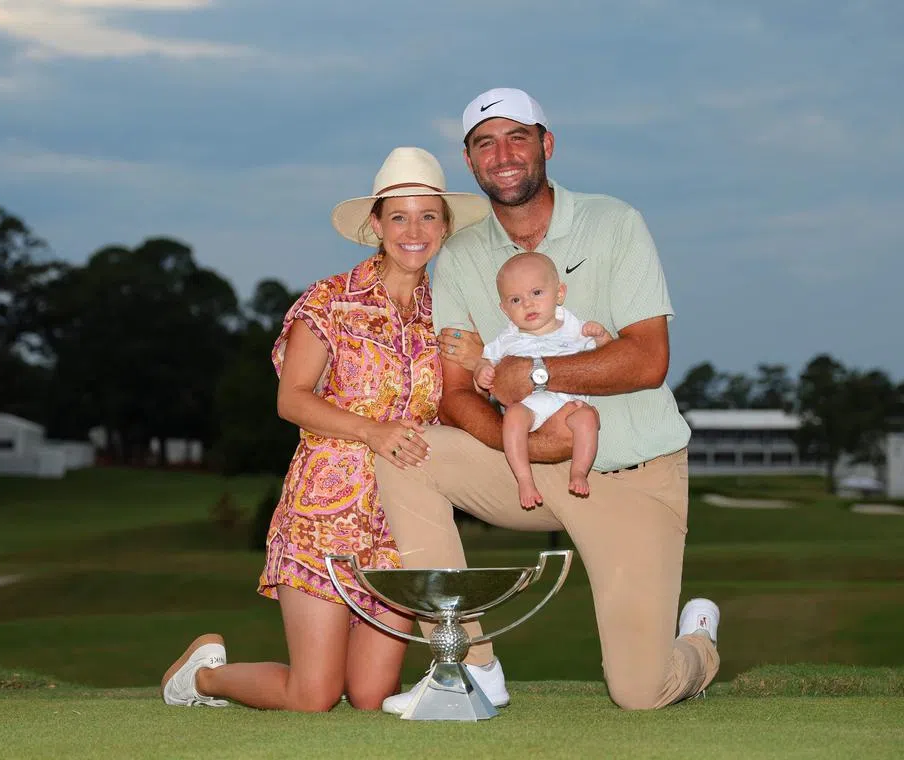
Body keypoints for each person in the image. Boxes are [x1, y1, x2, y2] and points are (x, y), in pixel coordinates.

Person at [377, 88, 721, 714]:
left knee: (640, 692)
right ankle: (470, 668)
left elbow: (648, 359)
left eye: (517, 137)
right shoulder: (459, 256)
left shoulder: (614, 223)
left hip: (630, 474)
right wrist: (529, 447)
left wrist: (533, 372)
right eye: (485, 143)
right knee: (408, 452)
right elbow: (456, 393)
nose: (502, 154)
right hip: (525, 468)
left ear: (546, 145)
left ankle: (697, 640)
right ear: (470, 160)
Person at [160, 146, 501, 712]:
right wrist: (372, 430)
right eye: (398, 215)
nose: (413, 230)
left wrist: (486, 367)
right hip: (323, 517)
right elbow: (290, 399)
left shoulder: (449, 314)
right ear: (376, 225)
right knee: (314, 695)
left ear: (444, 227)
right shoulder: (329, 300)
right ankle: (202, 678)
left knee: (370, 697)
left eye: (427, 216)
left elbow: (452, 411)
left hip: (402, 526)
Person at [474, 251, 610, 507]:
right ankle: (524, 479)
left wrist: (601, 336)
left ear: (559, 293)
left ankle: (579, 471)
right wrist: (482, 371)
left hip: (570, 403)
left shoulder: (574, 329)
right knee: (512, 417)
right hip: (531, 407)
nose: (528, 304)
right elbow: (485, 361)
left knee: (587, 419)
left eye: (536, 293)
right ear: (504, 309)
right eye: (516, 299)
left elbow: (605, 359)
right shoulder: (507, 339)